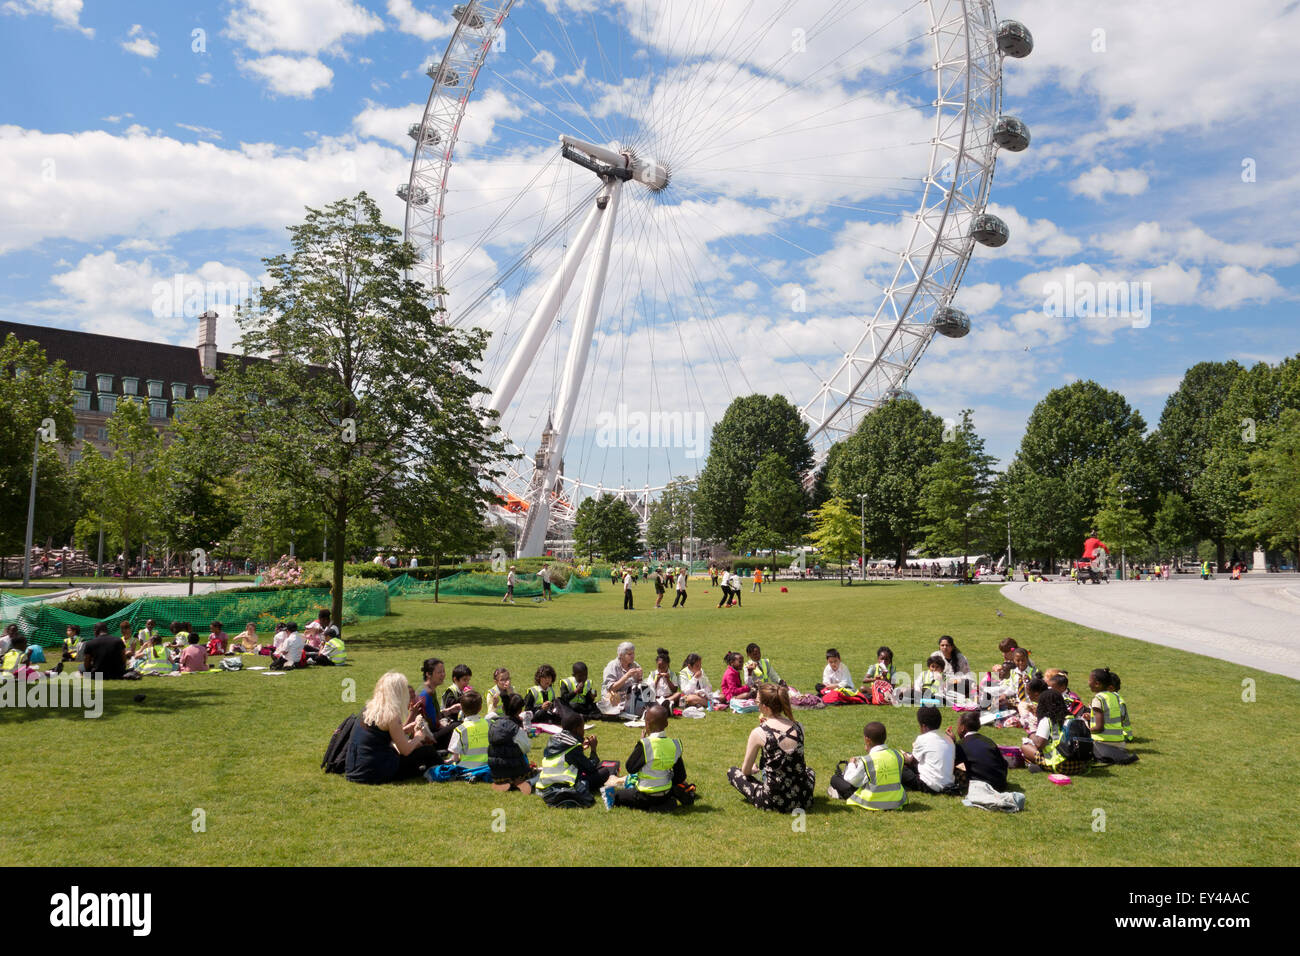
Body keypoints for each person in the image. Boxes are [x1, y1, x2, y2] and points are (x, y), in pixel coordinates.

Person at [727, 683, 815, 811]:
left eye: (757, 700)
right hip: (803, 798)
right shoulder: (799, 727)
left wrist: (752, 770)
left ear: (765, 707)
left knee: (733, 772)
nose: (756, 703)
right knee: (809, 771)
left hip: (774, 800)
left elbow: (745, 771)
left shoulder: (759, 733)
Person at [345, 672, 440, 784]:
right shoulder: (392, 715)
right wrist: (419, 736)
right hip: (375, 772)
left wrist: (404, 730)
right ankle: (446, 767)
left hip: (355, 769)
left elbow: (378, 736)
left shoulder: (368, 709)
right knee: (427, 751)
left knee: (413, 751)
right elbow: (405, 750)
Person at [605, 704, 688, 811]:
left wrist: (639, 746)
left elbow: (630, 768)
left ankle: (652, 806)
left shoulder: (645, 745)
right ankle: (664, 804)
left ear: (646, 724)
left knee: (615, 795)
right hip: (665, 794)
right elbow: (680, 776)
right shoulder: (675, 744)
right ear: (667, 723)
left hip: (645, 795)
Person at [951, 711, 1025, 811]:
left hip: (984, 784)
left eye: (958, 725)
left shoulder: (961, 744)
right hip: (1000, 782)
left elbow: (954, 763)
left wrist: (952, 744)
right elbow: (1003, 764)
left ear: (963, 728)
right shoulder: (988, 741)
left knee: (955, 771)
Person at [826, 721, 908, 810]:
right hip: (896, 801)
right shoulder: (897, 755)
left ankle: (838, 793)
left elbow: (851, 780)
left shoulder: (868, 760)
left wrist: (851, 764)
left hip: (873, 802)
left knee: (835, 779)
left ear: (867, 739)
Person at [536, 710, 610, 807]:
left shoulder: (553, 739)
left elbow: (564, 756)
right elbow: (590, 768)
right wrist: (593, 749)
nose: (584, 731)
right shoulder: (574, 747)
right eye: (582, 728)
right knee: (604, 771)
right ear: (577, 729)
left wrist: (580, 748)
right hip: (565, 784)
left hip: (545, 784)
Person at [1020, 689, 1089, 775]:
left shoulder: (1047, 720)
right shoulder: (1072, 718)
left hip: (1060, 765)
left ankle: (1042, 765)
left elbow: (1039, 745)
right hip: (1080, 765)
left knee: (1025, 747)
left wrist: (1032, 733)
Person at [902, 705, 959, 794]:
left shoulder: (922, 739)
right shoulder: (948, 739)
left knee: (899, 768)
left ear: (924, 726)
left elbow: (911, 761)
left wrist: (904, 758)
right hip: (948, 783)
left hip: (930, 785)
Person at [487, 693, 533, 792]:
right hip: (515, 771)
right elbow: (526, 748)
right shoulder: (515, 728)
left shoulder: (493, 724)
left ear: (503, 707)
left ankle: (501, 783)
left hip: (496, 772)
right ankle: (523, 783)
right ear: (520, 710)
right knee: (538, 773)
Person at [1088, 667, 1135, 762]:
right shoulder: (1115, 697)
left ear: (1097, 684)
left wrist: (1086, 731)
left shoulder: (1098, 699)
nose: (1088, 682)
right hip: (1120, 745)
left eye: (1089, 680)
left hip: (1103, 744)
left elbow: (1099, 728)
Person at [447, 690, 491, 778]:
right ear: (480, 708)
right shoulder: (489, 724)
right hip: (487, 766)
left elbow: (455, 757)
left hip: (466, 768)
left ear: (462, 709)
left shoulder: (460, 730)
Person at [937, 634, 973, 699]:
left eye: (947, 645)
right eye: (942, 645)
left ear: (952, 647)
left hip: (957, 682)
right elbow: (932, 672)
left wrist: (958, 679)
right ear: (939, 646)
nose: (944, 647)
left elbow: (968, 675)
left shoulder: (961, 658)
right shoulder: (935, 656)